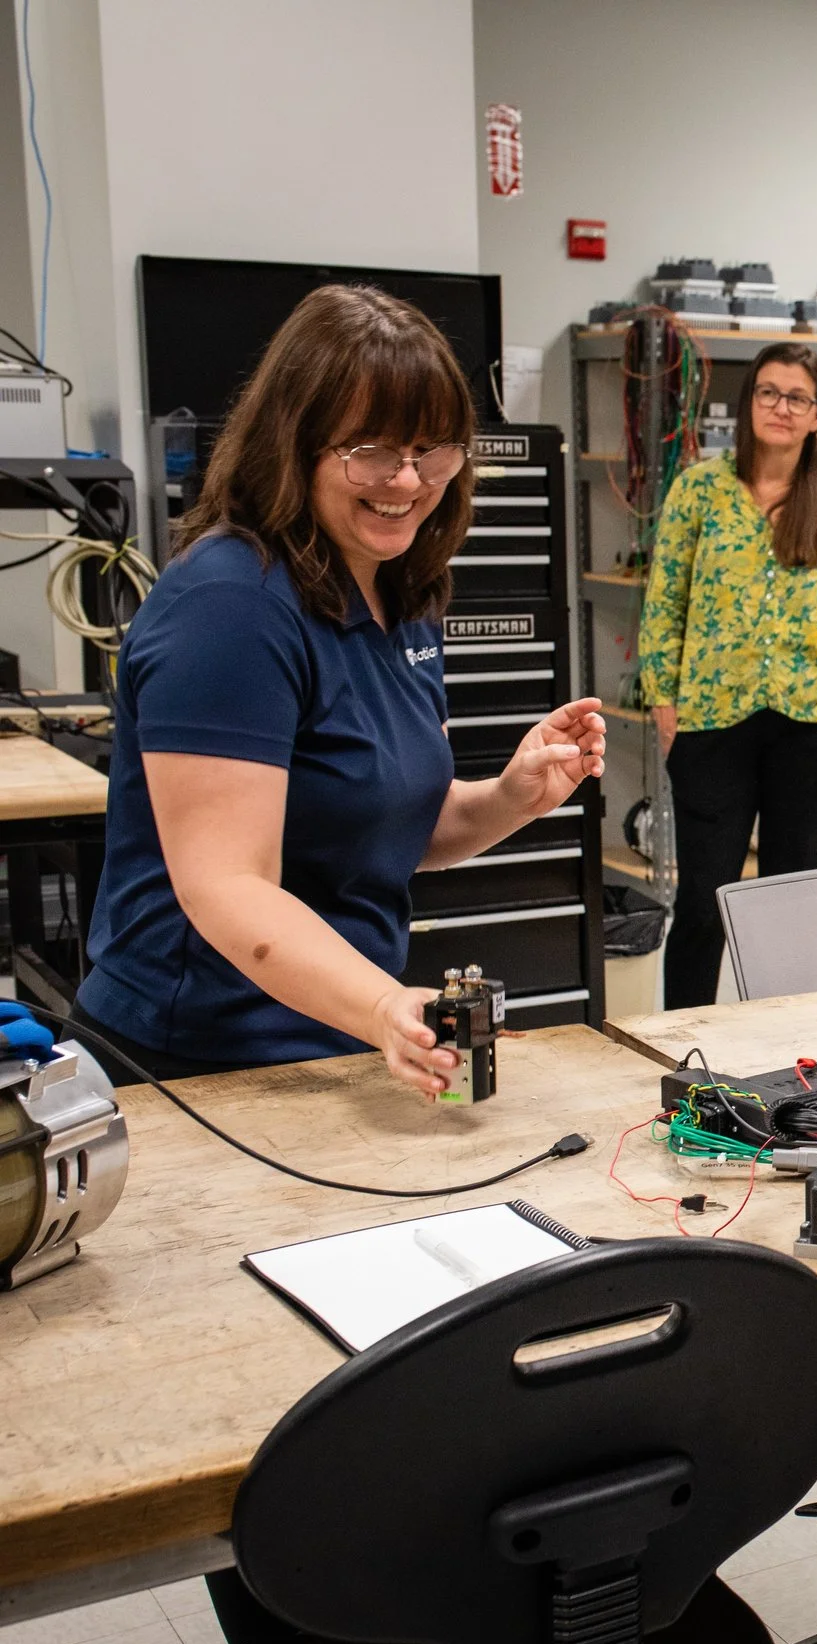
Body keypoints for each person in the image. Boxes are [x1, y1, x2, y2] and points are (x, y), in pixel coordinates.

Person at [75, 284, 605, 1093]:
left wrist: (508, 797)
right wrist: (385, 1006)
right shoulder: (232, 606)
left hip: (334, 1049)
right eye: (371, 451)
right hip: (197, 1069)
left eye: (433, 450)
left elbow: (377, 828)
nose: (407, 479)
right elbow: (227, 882)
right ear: (295, 444)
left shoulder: (400, 588)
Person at [637, 344, 817, 1008]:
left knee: (793, 909)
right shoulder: (699, 488)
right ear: (749, 403)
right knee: (702, 901)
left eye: (798, 398)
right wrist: (663, 702)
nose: (782, 408)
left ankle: (786, 1053)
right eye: (769, 393)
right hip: (710, 723)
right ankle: (684, 1052)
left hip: (814, 725)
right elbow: (663, 602)